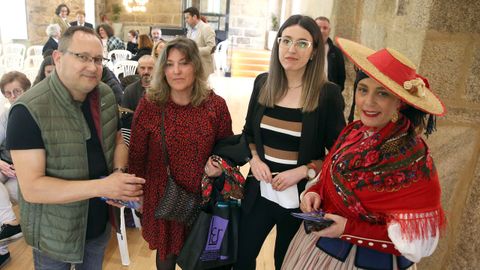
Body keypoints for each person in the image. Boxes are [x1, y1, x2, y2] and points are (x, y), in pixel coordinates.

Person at [282, 37, 447, 270]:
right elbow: (330, 173)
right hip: (317, 249)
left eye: (382, 93)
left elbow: (419, 245)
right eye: (362, 90)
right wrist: (316, 192)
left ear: (399, 102)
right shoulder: (355, 131)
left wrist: (349, 230)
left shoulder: (412, 158)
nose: (368, 102)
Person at [6, 26, 145, 270]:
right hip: (54, 233)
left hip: (98, 224)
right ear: (58, 58)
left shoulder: (104, 94)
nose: (92, 66)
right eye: (82, 57)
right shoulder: (28, 110)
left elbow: (117, 139)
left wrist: (118, 174)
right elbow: (33, 188)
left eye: (98, 59)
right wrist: (103, 186)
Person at [234, 15, 346, 270]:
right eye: (286, 41)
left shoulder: (327, 94)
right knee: (242, 257)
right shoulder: (263, 83)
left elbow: (338, 154)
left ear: (315, 50)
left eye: (302, 43)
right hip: (259, 190)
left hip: (299, 199)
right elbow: (248, 133)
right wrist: (255, 159)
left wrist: (303, 171)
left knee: (285, 262)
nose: (291, 49)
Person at [128, 37, 233, 270]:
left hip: (202, 196)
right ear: (162, 69)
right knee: (166, 257)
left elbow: (226, 148)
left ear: (195, 65)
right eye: (169, 64)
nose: (176, 71)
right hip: (162, 196)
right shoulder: (150, 105)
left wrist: (219, 163)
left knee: (199, 258)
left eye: (183, 63)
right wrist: (138, 195)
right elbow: (136, 154)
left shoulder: (215, 106)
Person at [0, 71, 30, 268]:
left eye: (16, 92)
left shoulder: (37, 112)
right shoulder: (6, 115)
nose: (12, 97)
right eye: (8, 93)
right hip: (7, 167)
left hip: (28, 174)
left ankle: (9, 228)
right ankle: (9, 223)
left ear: (27, 90)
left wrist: (25, 168)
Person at [315, 16, 346, 92]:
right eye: (318, 28)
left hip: (328, 93)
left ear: (329, 31)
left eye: (325, 28)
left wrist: (336, 91)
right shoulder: (306, 48)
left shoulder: (336, 52)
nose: (321, 31)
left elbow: (341, 76)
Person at [183, 7, 216, 75]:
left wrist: (194, 50)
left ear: (194, 17)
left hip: (203, 66)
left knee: (202, 86)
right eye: (185, 18)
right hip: (192, 65)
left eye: (187, 17)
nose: (185, 20)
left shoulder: (206, 28)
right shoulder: (190, 29)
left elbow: (211, 48)